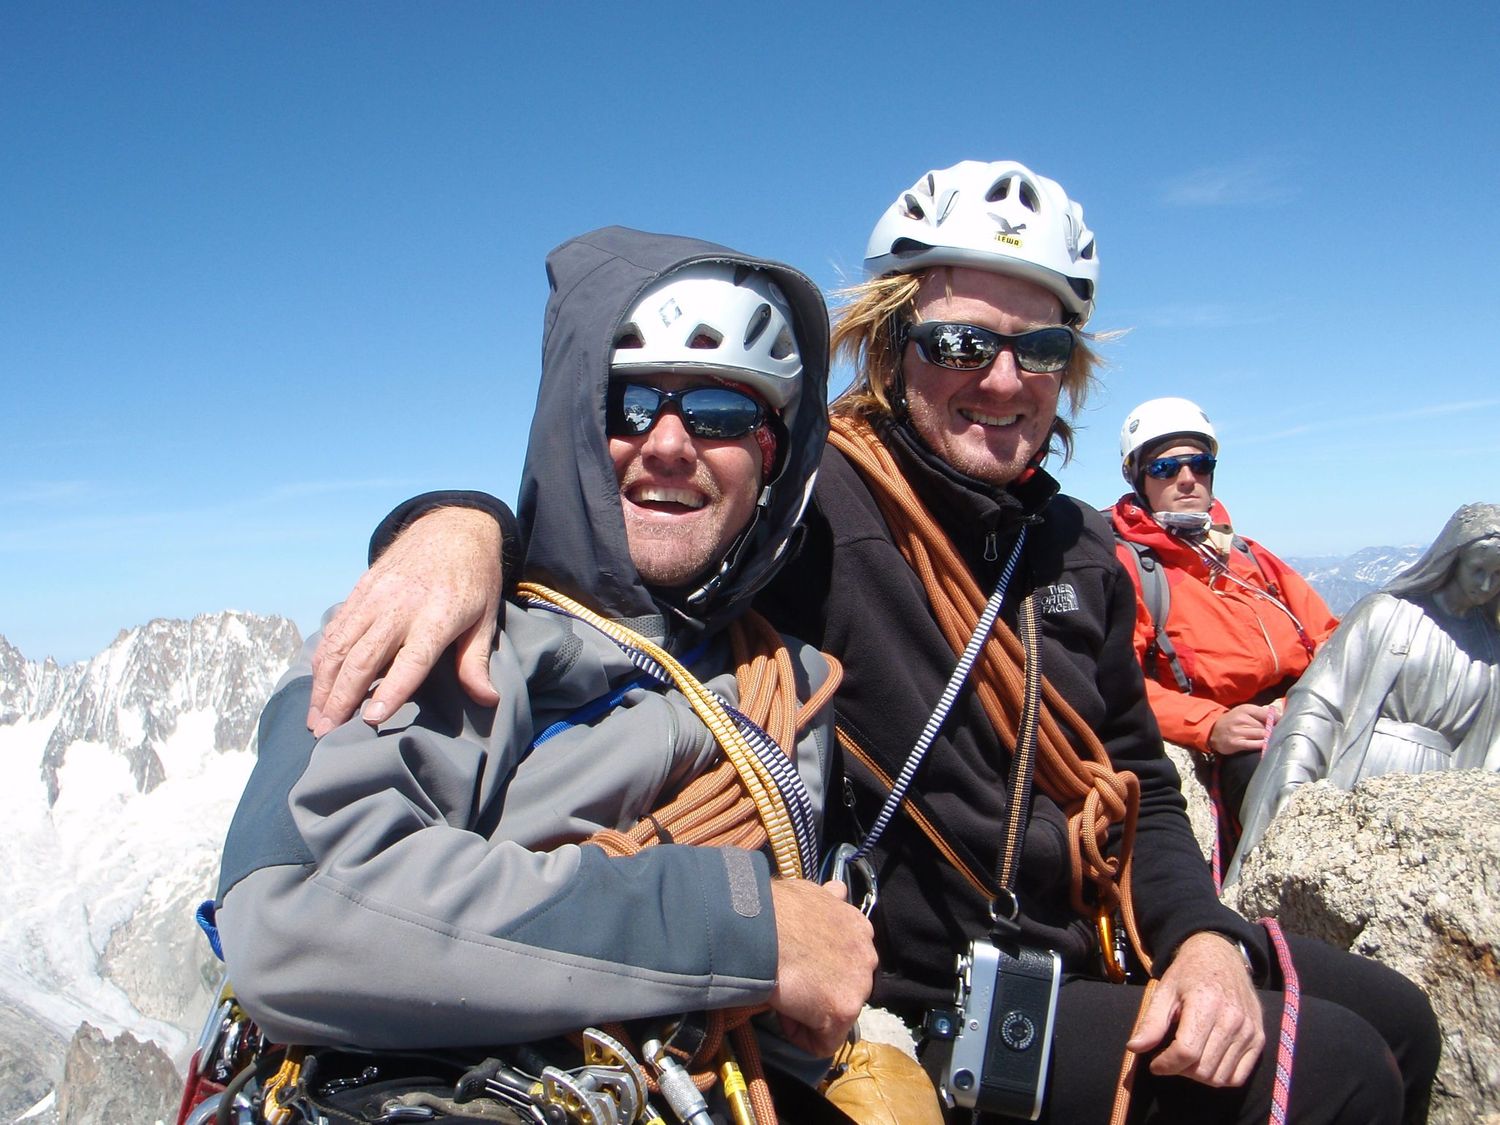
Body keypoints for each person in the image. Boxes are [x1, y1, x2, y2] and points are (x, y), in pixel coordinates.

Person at [304, 162, 1439, 1123]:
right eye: (958, 340)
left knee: (1402, 1019)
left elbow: (1136, 774)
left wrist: (1199, 940)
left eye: (1038, 347)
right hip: (931, 992)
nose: (1000, 379)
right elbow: (641, 519)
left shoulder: (1079, 546)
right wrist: (450, 525)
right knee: (1335, 1074)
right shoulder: (821, 507)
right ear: (894, 345)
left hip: (1099, 932)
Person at [212, 227, 880, 1123]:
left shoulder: (792, 679)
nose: (671, 443)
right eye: (629, 405)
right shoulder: (449, 630)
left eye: (722, 412)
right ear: (573, 426)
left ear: (771, 455)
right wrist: (748, 927)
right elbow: (298, 908)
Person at [1109, 397, 1339, 861]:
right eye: (1166, 467)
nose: (1187, 478)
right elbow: (1122, 684)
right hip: (1238, 740)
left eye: (1200, 463)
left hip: (1303, 709)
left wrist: (1308, 699)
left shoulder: (1249, 556)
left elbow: (1331, 636)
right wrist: (1211, 725)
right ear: (1139, 479)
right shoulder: (1128, 567)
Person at [1232, 501, 1500, 878]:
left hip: (1439, 801)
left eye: (1497, 574)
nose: (1486, 586)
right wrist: (1294, 775)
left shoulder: (1492, 649)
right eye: (1478, 570)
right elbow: (1320, 703)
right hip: (1361, 772)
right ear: (1453, 559)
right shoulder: (1387, 614)